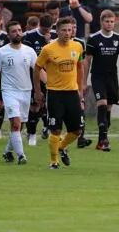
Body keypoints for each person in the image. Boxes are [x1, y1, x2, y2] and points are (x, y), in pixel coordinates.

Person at [33, 17, 84, 169]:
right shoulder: (48, 49)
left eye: (70, 30)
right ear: (57, 31)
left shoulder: (78, 46)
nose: (67, 33)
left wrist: (81, 89)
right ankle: (54, 161)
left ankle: (61, 147)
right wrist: (37, 91)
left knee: (76, 130)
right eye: (64, 30)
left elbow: (80, 66)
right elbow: (36, 68)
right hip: (55, 93)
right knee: (55, 129)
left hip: (72, 93)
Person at [83, 10, 119, 151]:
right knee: (102, 105)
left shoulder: (118, 38)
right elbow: (87, 62)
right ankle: (104, 141)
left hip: (112, 77)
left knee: (108, 111)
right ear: (101, 22)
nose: (109, 24)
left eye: (112, 22)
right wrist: (84, 82)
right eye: (107, 21)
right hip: (98, 77)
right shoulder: (93, 38)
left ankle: (101, 140)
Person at [0, 20, 38, 164]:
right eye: (14, 31)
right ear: (8, 34)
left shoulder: (29, 51)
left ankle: (7, 151)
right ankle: (21, 156)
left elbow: (37, 71)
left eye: (19, 30)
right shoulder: (1, 52)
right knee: (16, 124)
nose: (18, 33)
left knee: (19, 126)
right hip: (9, 91)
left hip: (26, 91)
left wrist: (49, 83)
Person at [22, 14, 57, 144]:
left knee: (49, 105)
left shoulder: (55, 36)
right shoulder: (29, 36)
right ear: (40, 25)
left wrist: (49, 42)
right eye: (44, 29)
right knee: (34, 106)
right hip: (33, 76)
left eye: (49, 29)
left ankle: (48, 129)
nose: (47, 31)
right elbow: (28, 56)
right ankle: (31, 135)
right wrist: (45, 44)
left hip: (51, 76)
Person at [67, 16, 93, 148]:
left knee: (81, 109)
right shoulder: (56, 43)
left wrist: (83, 84)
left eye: (75, 27)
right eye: (71, 28)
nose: (73, 30)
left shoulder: (80, 43)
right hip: (62, 83)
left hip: (76, 83)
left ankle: (81, 138)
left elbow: (81, 66)